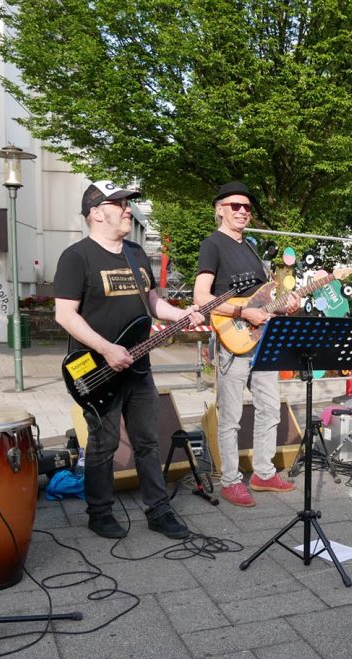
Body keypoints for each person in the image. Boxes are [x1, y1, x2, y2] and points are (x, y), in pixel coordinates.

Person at [54, 180, 204, 539]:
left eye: (127, 202)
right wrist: (106, 348)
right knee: (103, 442)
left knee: (148, 440)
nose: (127, 209)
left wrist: (181, 315)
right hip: (94, 369)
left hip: (138, 366)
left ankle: (158, 510)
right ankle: (100, 512)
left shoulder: (136, 253)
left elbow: (152, 303)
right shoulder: (76, 257)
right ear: (96, 212)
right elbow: (65, 315)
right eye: (118, 203)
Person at [193, 181, 298, 508]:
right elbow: (201, 297)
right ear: (219, 209)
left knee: (271, 408)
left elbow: (262, 301)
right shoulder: (213, 244)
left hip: (260, 341)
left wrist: (285, 303)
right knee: (231, 416)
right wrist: (241, 311)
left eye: (247, 207)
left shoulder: (251, 248)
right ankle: (230, 481)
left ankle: (263, 473)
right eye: (235, 205)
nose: (242, 211)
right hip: (233, 338)